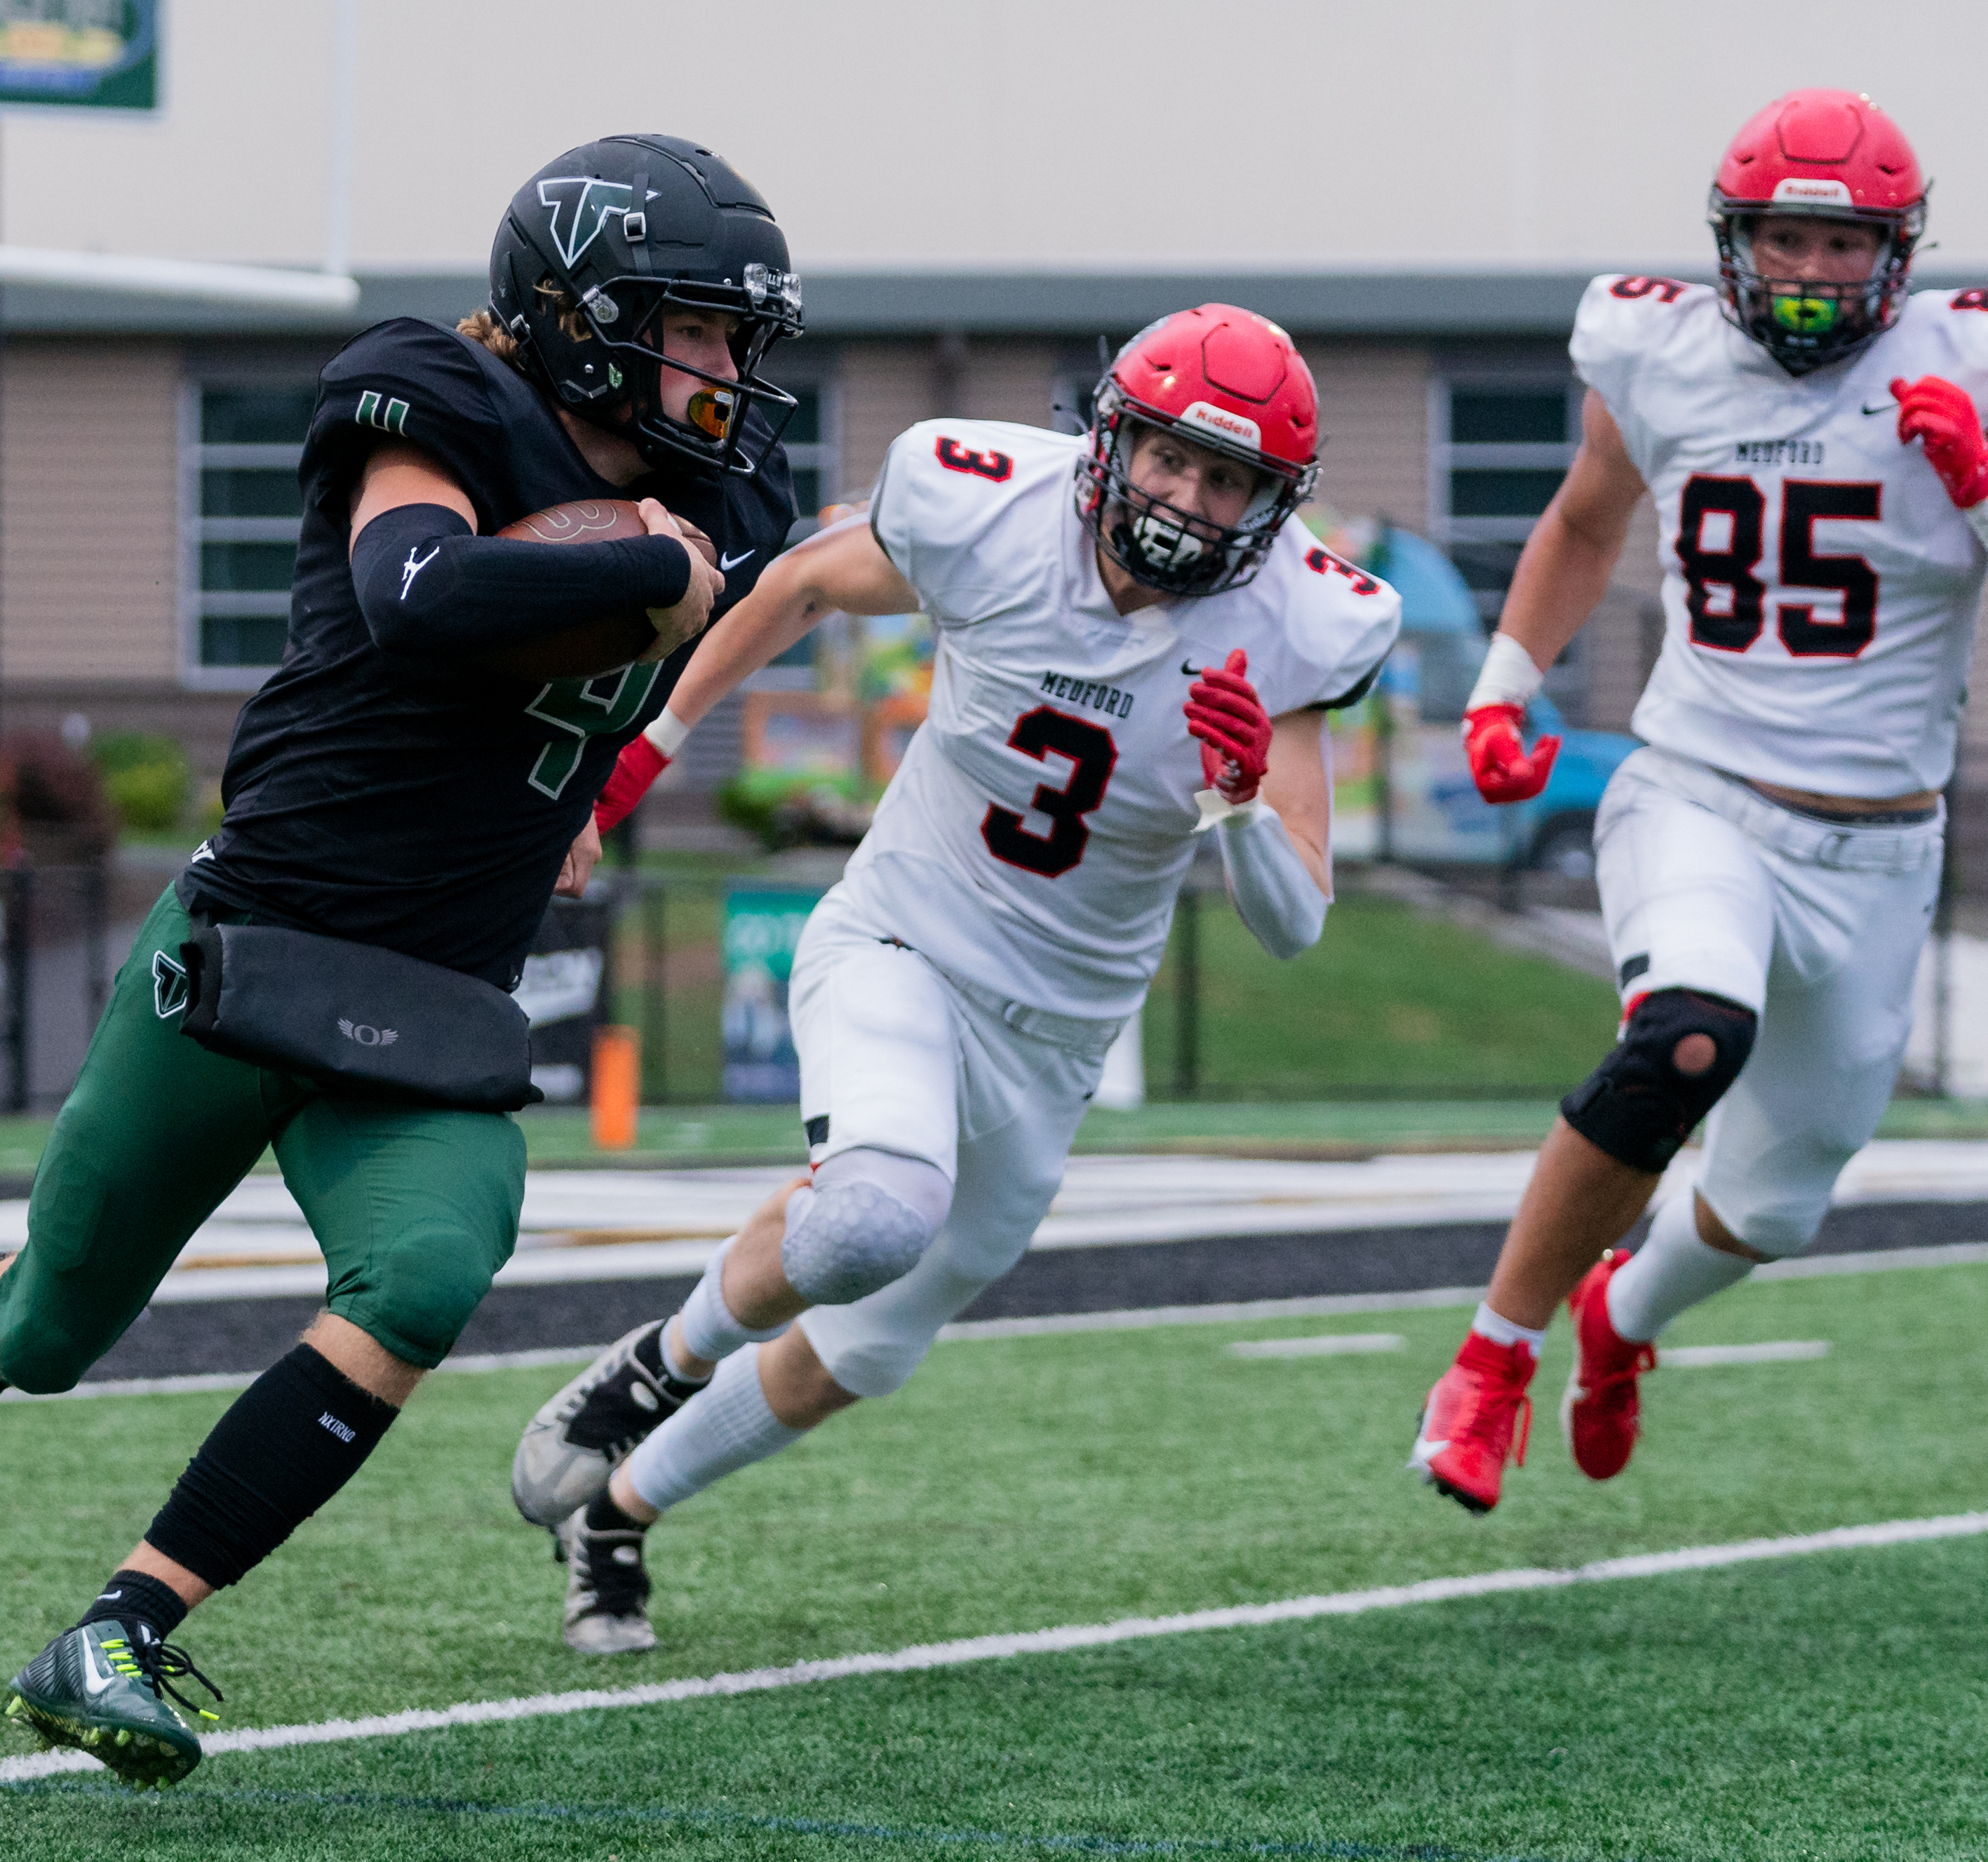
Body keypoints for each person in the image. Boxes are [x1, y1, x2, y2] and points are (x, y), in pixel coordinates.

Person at [0, 133, 803, 1782]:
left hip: (431, 1003)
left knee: (431, 1268)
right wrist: (651, 570)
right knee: (59, 1324)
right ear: (576, 314)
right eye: (694, 327)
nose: (723, 370)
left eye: (735, 336)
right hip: (251, 950)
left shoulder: (730, 501)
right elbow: (414, 586)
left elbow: (776, 592)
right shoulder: (430, 393)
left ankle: (124, 1622)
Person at [511, 304, 1400, 1652]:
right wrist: (639, 761)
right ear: (1112, 439)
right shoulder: (989, 506)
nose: (1188, 498)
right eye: (1170, 458)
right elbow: (800, 582)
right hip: (904, 941)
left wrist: (1234, 803)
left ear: (1273, 504)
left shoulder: (1294, 628)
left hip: (1055, 1039)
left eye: (1229, 481)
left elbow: (1296, 923)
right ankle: (652, 1367)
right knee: (873, 1214)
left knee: (862, 1351)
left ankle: (621, 1512)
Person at [1409, 89, 1988, 1514]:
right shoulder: (1657, 348)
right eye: (1780, 239)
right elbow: (1581, 516)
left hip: (1878, 847)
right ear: (1729, 243)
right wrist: (1503, 683)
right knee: (1683, 1037)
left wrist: (1985, 490)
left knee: (1774, 1202)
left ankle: (1618, 1320)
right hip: (1698, 790)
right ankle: (1488, 1358)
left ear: (1895, 250)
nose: (1805, 272)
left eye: (1834, 242)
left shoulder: (1983, 364)